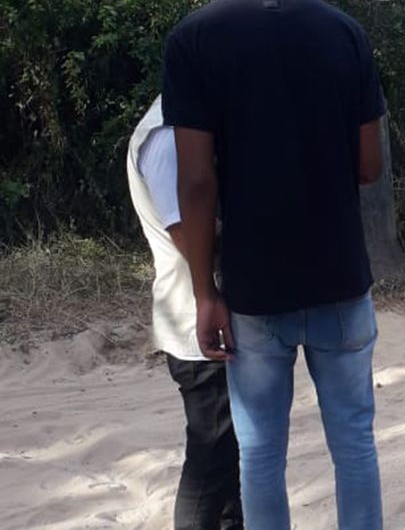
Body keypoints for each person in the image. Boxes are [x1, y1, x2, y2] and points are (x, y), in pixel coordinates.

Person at [161, 0, 386, 530]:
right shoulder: (344, 31)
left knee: (260, 454)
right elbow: (370, 166)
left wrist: (206, 293)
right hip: (341, 279)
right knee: (354, 444)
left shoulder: (194, 39)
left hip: (255, 290)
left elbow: (197, 180)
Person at [126, 96, 244, 530]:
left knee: (228, 462)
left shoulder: (177, 126)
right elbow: (191, 238)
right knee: (208, 464)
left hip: (202, 318)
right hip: (198, 323)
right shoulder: (166, 138)